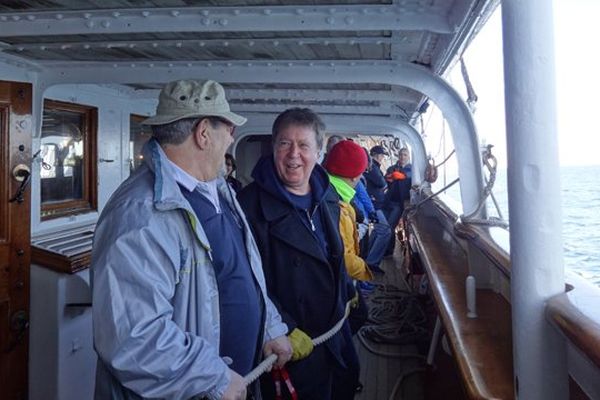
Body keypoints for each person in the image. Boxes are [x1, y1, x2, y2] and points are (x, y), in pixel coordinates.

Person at [91, 79, 292, 400]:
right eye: (228, 129)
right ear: (203, 133)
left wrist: (269, 327)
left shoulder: (216, 189)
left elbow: (238, 273)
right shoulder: (140, 216)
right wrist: (211, 378)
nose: (231, 139)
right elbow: (132, 338)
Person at [238, 108, 359, 400]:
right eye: (284, 143)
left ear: (318, 152)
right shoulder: (248, 206)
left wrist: (347, 288)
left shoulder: (328, 196)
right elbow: (244, 281)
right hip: (292, 343)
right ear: (273, 147)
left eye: (304, 145)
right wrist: (284, 328)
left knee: (344, 384)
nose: (294, 154)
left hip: (334, 333)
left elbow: (332, 254)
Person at [364, 145, 388, 209]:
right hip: (374, 201)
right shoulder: (372, 167)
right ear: (375, 155)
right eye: (381, 155)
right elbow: (381, 183)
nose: (382, 157)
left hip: (374, 199)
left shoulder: (371, 165)